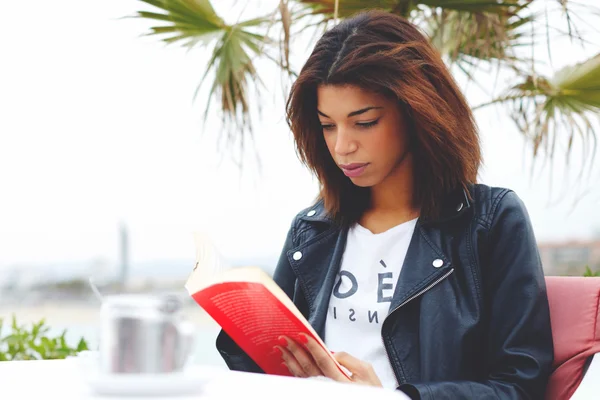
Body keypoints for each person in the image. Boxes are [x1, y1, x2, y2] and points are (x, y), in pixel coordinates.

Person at [216, 10, 553, 399]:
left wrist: (393, 397)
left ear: (418, 112)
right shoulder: (311, 231)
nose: (342, 146)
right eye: (328, 125)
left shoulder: (490, 221)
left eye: (365, 122)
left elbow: (520, 385)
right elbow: (268, 370)